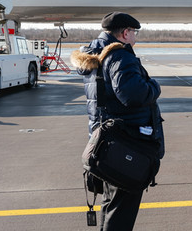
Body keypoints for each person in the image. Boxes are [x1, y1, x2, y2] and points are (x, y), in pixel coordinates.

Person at [70, 12, 164, 230]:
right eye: (134, 33)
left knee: (112, 203)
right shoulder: (120, 56)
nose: (135, 38)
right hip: (127, 142)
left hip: (105, 140)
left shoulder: (95, 54)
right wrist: (154, 86)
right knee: (122, 208)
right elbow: (133, 95)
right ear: (124, 33)